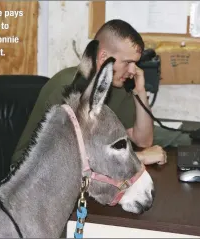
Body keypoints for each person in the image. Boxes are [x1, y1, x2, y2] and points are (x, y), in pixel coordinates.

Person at [11, 19, 166, 167]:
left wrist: (140, 90)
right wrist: (139, 158)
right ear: (104, 57)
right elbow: (70, 157)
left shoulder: (117, 86)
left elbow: (143, 141)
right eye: (127, 63)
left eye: (135, 63)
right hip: (31, 174)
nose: (133, 71)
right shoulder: (68, 87)